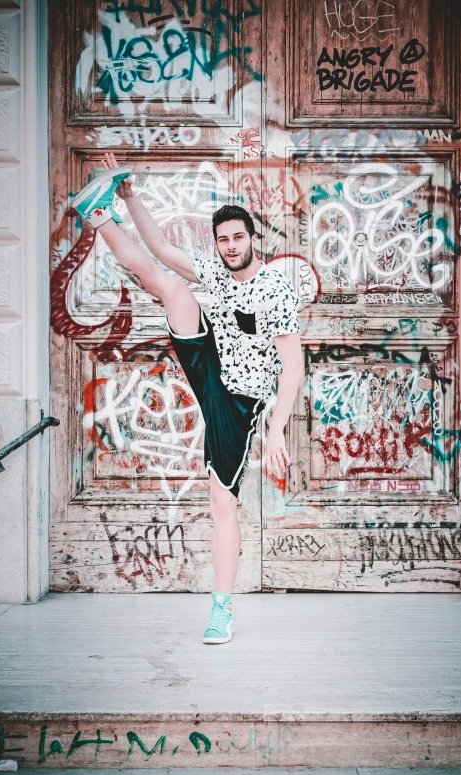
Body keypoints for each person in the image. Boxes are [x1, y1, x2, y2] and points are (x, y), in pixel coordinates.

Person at [71, 152, 304, 644]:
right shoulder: (216, 272)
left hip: (240, 400)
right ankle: (98, 213)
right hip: (211, 362)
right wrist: (130, 195)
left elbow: (293, 367)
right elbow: (156, 245)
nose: (231, 246)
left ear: (252, 239)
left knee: (223, 502)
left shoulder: (275, 291)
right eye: (223, 240)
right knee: (170, 287)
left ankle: (221, 609)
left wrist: (277, 425)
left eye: (239, 237)